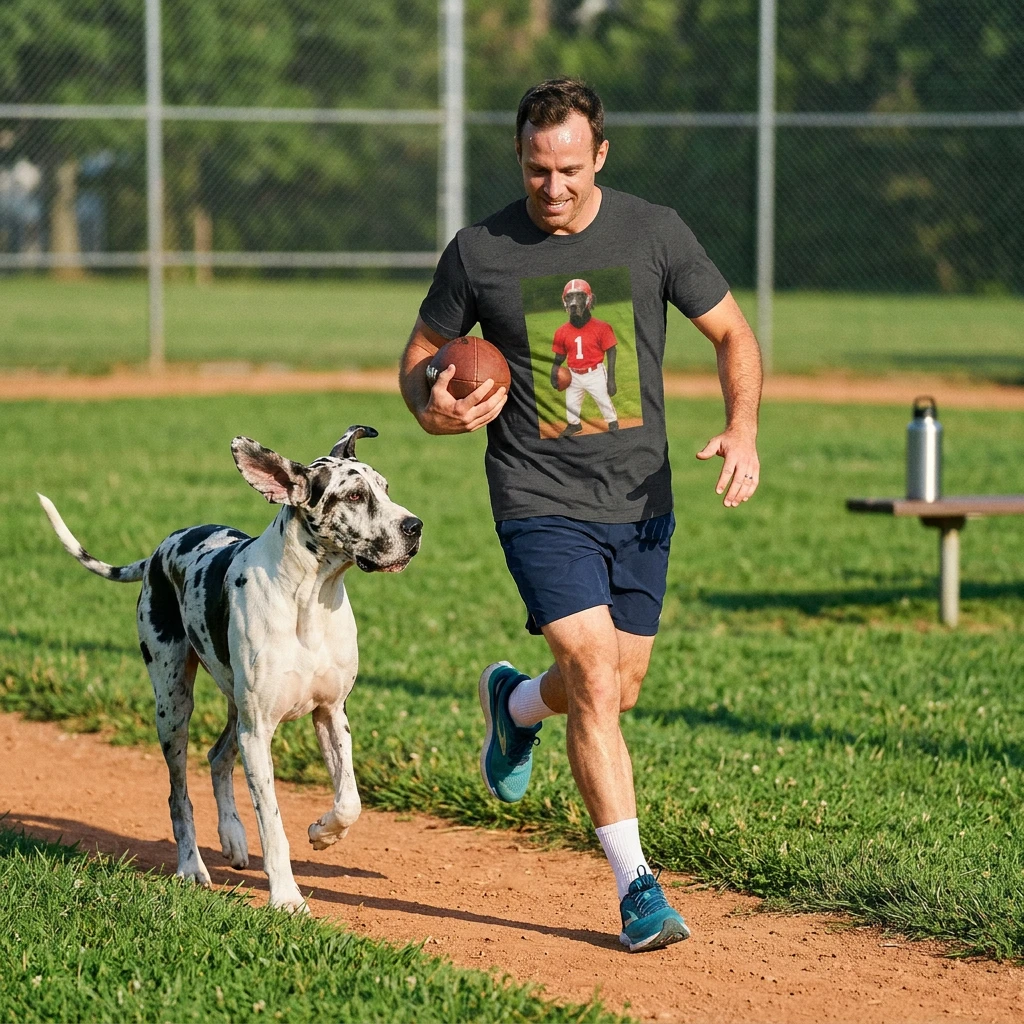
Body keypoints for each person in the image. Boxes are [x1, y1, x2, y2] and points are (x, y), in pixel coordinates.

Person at [399, 78, 762, 953]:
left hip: (640, 500)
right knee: (596, 676)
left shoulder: (654, 231)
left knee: (618, 686)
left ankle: (517, 706)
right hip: (536, 497)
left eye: (567, 169)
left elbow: (732, 334)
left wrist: (742, 427)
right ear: (519, 158)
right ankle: (637, 887)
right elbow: (418, 358)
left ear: (599, 155)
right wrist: (431, 405)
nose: (551, 188)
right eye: (535, 170)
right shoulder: (479, 250)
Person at [551, 278, 619, 436]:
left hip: (595, 373)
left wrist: (611, 379)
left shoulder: (601, 327)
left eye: (580, 296)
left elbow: (611, 350)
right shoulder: (562, 331)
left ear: (589, 299)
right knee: (571, 404)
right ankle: (574, 425)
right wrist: (554, 371)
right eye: (570, 297)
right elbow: (560, 355)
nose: (574, 302)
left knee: (603, 401)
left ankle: (612, 422)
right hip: (573, 374)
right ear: (564, 302)